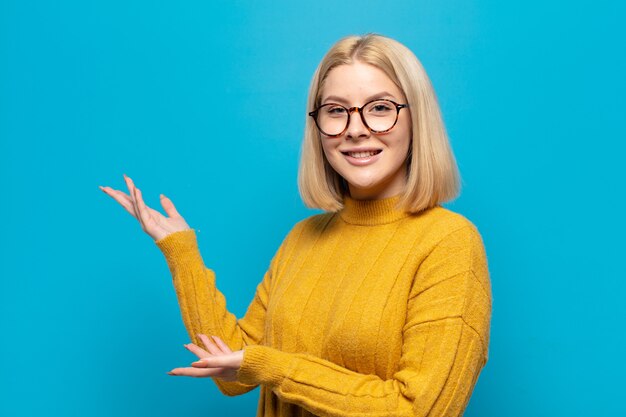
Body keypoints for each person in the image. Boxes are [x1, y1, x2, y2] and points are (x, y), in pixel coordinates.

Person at [100, 33, 492, 417]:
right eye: (336, 111)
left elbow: (417, 410)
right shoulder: (303, 238)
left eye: (379, 107)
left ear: (416, 118)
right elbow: (234, 375)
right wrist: (180, 250)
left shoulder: (449, 243)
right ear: (317, 126)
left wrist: (275, 367)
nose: (355, 128)